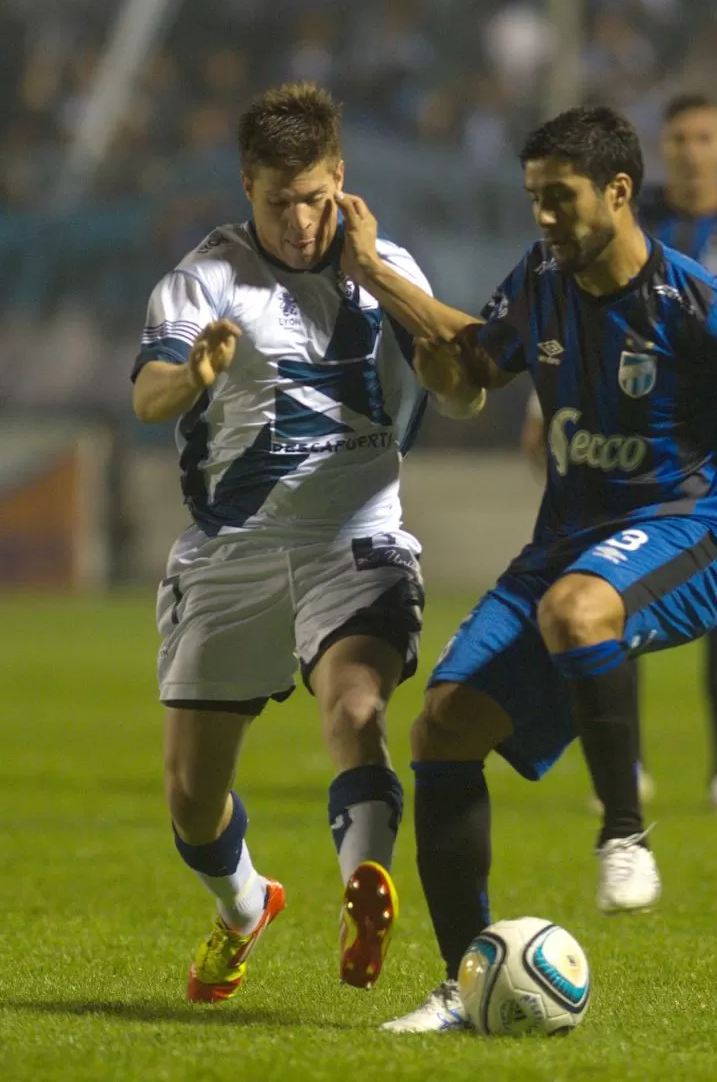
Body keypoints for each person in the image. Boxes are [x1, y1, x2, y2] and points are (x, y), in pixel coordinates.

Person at [336, 105, 717, 1032]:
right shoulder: (540, 279)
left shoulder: (703, 305)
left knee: (577, 611)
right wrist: (376, 274)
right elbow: (478, 357)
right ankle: (464, 987)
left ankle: (625, 834)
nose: (544, 217)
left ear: (618, 192)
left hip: (689, 532)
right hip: (567, 542)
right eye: (534, 198)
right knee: (441, 728)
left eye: (561, 198)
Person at [130, 82, 460, 1003]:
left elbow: (463, 388)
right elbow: (148, 393)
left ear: (340, 178)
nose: (302, 221)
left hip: (354, 541)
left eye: (316, 198)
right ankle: (246, 906)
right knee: (192, 798)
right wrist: (192, 375)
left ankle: (364, 887)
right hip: (231, 553)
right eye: (280, 201)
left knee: (356, 709)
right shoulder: (206, 278)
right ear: (248, 187)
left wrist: (386, 284)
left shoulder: (388, 270)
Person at [522, 91, 717, 815]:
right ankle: (630, 766)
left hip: (711, 449)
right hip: (619, 438)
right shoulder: (631, 215)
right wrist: (539, 407)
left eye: (704, 137)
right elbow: (572, 314)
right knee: (613, 597)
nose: (691, 151)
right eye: (680, 138)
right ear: (663, 147)